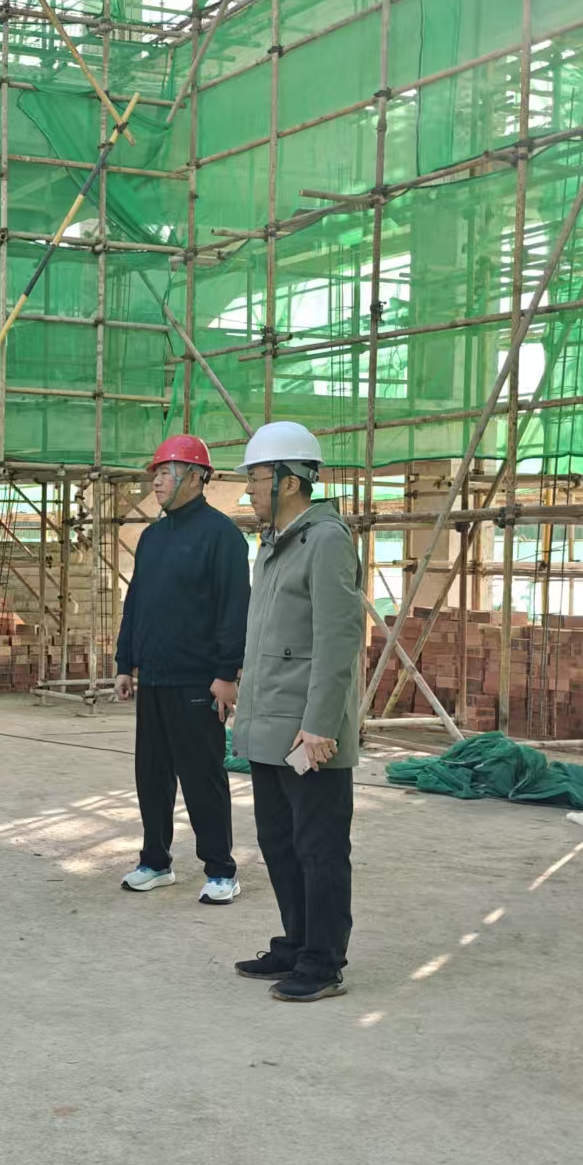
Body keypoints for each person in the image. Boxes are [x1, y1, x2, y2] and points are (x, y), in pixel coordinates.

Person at [232, 421, 362, 1002]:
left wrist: (319, 726)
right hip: (269, 725)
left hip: (308, 733)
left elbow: (338, 640)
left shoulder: (327, 540)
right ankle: (297, 940)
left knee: (319, 848)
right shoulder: (275, 544)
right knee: (279, 842)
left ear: (289, 481)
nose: (249, 489)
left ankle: (323, 961)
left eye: (256, 478)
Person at [115, 434, 250, 905]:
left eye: (165, 473)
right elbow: (136, 603)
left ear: (195, 478)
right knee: (151, 775)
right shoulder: (153, 538)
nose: (156, 482)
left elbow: (235, 609)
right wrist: (125, 662)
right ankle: (155, 861)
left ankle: (221, 869)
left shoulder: (222, 536)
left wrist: (227, 674)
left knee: (201, 777)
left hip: (198, 679)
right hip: (153, 677)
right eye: (154, 474)